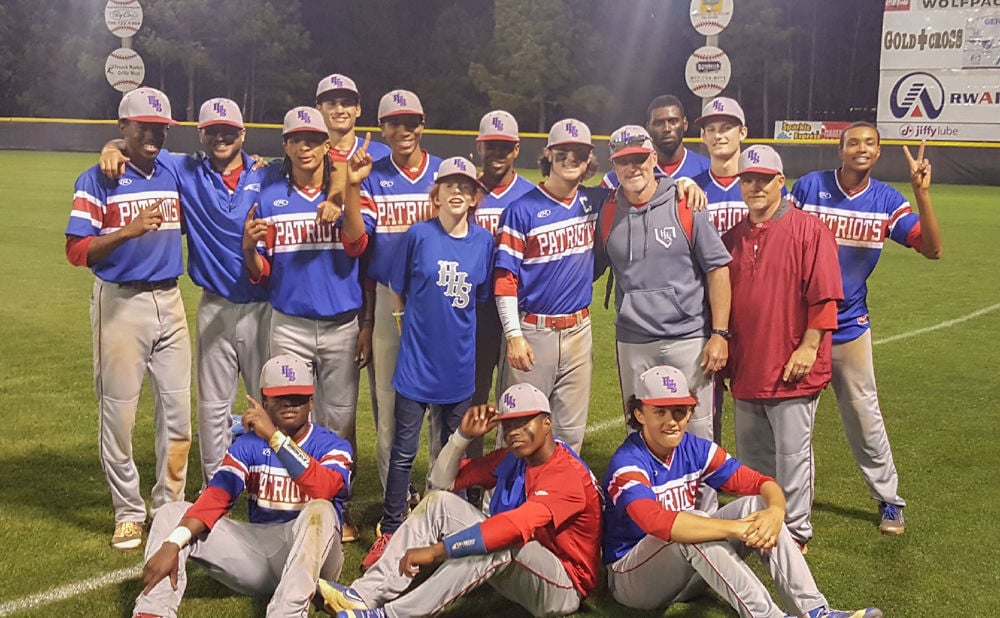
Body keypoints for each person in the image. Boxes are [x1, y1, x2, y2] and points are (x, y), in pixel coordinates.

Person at [602, 365, 883, 618]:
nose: (671, 421)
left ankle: (815, 611)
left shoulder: (695, 448)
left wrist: (774, 512)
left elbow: (763, 483)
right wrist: (734, 529)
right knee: (693, 523)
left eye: (679, 411)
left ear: (690, 412)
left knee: (755, 506)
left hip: (688, 574)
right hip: (632, 580)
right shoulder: (627, 463)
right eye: (659, 412)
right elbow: (657, 522)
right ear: (639, 414)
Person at [99, 97, 272, 485]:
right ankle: (218, 490)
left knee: (270, 402)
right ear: (201, 134)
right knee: (212, 407)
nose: (221, 137)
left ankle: (267, 484)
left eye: (229, 130)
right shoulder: (184, 168)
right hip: (214, 305)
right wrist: (110, 148)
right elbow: (136, 146)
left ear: (243, 133)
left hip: (264, 306)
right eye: (213, 131)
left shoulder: (270, 173)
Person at [318, 383, 603, 618]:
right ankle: (363, 595)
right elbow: (441, 483)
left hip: (564, 585)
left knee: (499, 540)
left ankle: (390, 615)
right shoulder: (514, 457)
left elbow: (514, 528)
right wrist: (462, 436)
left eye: (524, 422)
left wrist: (437, 551)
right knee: (440, 503)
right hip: (525, 562)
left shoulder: (565, 475)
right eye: (508, 424)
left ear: (547, 422)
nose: (514, 431)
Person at [790, 123, 943, 536]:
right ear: (840, 150)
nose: (861, 148)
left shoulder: (886, 200)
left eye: (870, 144)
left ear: (877, 154)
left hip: (847, 326)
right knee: (792, 423)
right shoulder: (808, 187)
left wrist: (922, 194)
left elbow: (932, 249)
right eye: (853, 142)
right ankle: (790, 509)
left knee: (863, 415)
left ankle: (889, 500)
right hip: (799, 328)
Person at [131, 353, 353, 618]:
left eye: (299, 397)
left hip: (317, 563)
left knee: (321, 509)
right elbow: (216, 497)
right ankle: (151, 612)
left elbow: (324, 489)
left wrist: (274, 437)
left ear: (311, 401)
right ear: (263, 401)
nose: (291, 404)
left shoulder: (333, 446)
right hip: (260, 554)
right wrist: (173, 543)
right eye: (281, 397)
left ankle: (287, 614)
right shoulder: (247, 446)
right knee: (172, 513)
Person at [65, 87, 191, 551]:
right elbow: (77, 250)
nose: (154, 135)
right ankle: (128, 511)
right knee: (118, 415)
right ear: (124, 127)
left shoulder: (173, 168)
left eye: (160, 128)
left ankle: (169, 505)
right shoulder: (95, 179)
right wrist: (127, 231)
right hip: (120, 305)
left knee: (178, 413)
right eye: (144, 128)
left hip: (171, 300)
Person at [363, 157, 495, 570]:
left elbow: (481, 298)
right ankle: (390, 527)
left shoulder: (483, 242)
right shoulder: (419, 235)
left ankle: (445, 521)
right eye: (448, 186)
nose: (457, 192)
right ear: (435, 194)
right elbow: (396, 286)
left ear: (475, 198)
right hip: (417, 365)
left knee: (449, 451)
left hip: (458, 366)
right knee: (403, 452)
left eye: (465, 187)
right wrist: (402, 322)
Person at [723, 145, 844, 550]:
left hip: (791, 366)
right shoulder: (733, 237)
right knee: (753, 461)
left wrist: (809, 348)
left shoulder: (810, 230)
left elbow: (825, 300)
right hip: (747, 366)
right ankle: (759, 528)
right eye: (747, 179)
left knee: (792, 458)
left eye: (762, 179)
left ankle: (796, 532)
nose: (754, 186)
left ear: (780, 181)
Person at [242, 107, 372, 450]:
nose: (305, 148)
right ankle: (293, 492)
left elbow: (357, 245)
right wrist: (248, 250)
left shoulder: (345, 193)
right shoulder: (270, 198)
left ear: (327, 146)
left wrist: (346, 202)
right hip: (289, 324)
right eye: (296, 140)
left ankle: (336, 491)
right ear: (285, 146)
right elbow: (263, 272)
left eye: (313, 140)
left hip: (342, 325)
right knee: (289, 416)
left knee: (340, 418)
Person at [594, 125, 731, 445]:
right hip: (633, 339)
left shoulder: (685, 203)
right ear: (613, 166)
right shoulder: (608, 210)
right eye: (622, 161)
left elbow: (718, 270)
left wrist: (720, 334)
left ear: (653, 157)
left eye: (639, 158)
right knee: (639, 429)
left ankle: (701, 498)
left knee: (697, 430)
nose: (632, 167)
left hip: (689, 337)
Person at [347, 89, 443, 492]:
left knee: (443, 405)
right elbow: (361, 250)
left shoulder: (445, 172)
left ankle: (442, 493)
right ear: (382, 129)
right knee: (388, 405)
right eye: (394, 123)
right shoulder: (374, 176)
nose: (404, 130)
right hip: (387, 299)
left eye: (411, 122)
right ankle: (395, 497)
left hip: (440, 300)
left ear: (422, 125)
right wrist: (368, 320)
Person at [494, 118, 602, 454]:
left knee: (570, 430)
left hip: (579, 331)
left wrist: (683, 183)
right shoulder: (521, 209)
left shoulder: (596, 201)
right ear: (548, 155)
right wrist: (513, 335)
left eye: (580, 153)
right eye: (563, 152)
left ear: (589, 160)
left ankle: (561, 502)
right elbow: (505, 279)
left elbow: (641, 182)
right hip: (533, 332)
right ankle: (499, 499)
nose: (571, 159)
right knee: (519, 425)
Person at [471, 110, 536, 409]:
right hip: (474, 308)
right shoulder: (464, 191)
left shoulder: (532, 196)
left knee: (517, 398)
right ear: (479, 146)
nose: (498, 153)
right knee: (473, 396)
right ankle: (470, 458)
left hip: (518, 306)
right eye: (492, 145)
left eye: (505, 146)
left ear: (517, 149)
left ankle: (511, 457)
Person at [601, 94, 710, 189]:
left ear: (685, 124)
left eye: (673, 121)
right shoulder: (622, 177)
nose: (667, 128)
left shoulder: (706, 169)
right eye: (658, 123)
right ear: (648, 129)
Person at [692, 96, 750, 235]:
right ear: (703, 136)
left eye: (726, 128)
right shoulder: (694, 190)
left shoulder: (764, 185)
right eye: (711, 129)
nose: (717, 135)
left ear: (742, 133)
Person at [316, 73, 391, 165]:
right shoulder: (310, 156)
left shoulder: (381, 153)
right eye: (332, 104)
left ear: (358, 110)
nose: (339, 110)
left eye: (346, 104)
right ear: (319, 110)